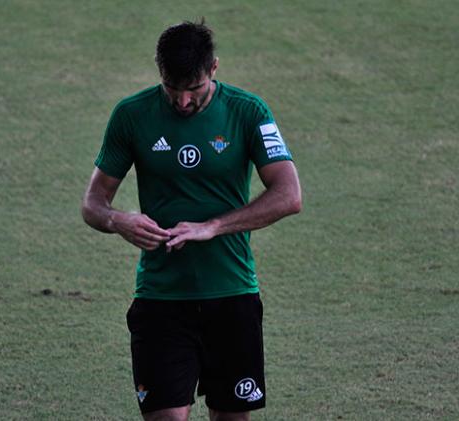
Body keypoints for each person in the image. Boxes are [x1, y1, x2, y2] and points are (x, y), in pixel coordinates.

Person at [81, 19, 301, 421]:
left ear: (214, 68)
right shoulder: (132, 116)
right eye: (172, 89)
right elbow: (93, 202)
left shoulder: (248, 112)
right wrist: (117, 221)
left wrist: (212, 227)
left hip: (232, 294)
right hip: (161, 299)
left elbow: (288, 196)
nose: (182, 101)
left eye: (193, 90)